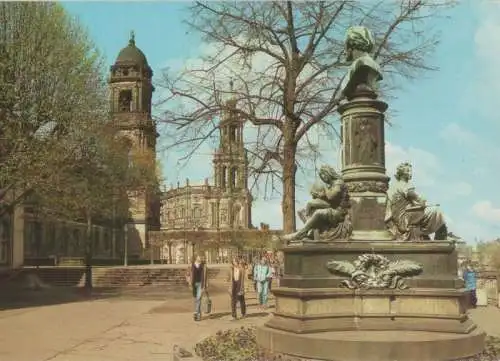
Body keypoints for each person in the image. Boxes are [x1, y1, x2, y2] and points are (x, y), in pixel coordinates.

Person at [186, 255, 208, 321]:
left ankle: (196, 313)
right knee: (196, 299)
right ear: (196, 258)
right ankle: (198, 314)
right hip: (193, 284)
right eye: (199, 257)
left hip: (200, 284)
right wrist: (189, 282)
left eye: (201, 257)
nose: (200, 258)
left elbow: (206, 276)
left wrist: (206, 285)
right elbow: (187, 274)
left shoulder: (204, 266)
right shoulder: (191, 265)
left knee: (198, 298)